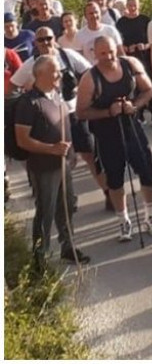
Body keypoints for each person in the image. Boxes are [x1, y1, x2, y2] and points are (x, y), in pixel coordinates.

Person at [76, 35, 152, 241]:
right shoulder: (90, 78)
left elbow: (148, 89)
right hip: (106, 133)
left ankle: (150, 214)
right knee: (115, 178)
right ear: (94, 54)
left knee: (147, 170)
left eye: (111, 51)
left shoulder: (130, 65)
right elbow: (81, 112)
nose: (108, 57)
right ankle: (123, 220)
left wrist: (134, 106)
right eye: (103, 54)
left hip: (132, 127)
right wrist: (109, 111)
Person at [11, 28, 109, 209]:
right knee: (60, 159)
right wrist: (27, 97)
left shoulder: (67, 55)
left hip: (73, 113)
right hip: (49, 119)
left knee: (90, 154)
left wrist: (80, 89)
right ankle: (64, 198)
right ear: (36, 43)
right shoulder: (32, 63)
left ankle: (108, 193)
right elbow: (13, 85)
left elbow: (91, 72)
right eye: (41, 40)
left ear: (54, 39)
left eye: (48, 38)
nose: (46, 43)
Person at [14, 55, 90, 265]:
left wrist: (70, 151)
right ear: (41, 74)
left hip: (63, 162)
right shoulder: (28, 103)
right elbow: (23, 140)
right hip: (43, 167)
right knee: (46, 211)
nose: (60, 74)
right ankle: (40, 258)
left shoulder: (56, 95)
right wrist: (52, 149)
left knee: (67, 206)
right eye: (56, 70)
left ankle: (68, 246)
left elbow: (64, 124)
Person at [116, 0, 152, 126]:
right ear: (126, 7)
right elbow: (118, 42)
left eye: (134, 5)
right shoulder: (121, 23)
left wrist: (144, 45)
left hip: (145, 57)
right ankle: (138, 115)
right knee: (134, 86)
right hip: (129, 58)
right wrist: (126, 48)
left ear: (138, 5)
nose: (132, 8)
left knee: (148, 85)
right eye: (129, 5)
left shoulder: (145, 20)